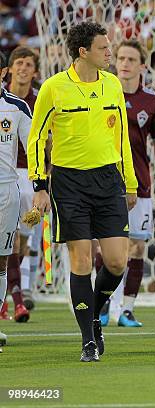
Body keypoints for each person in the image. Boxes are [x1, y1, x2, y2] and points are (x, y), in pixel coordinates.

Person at [27, 21, 138, 362]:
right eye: (104, 48)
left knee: (118, 261)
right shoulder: (54, 88)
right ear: (83, 52)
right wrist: (40, 185)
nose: (110, 53)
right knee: (81, 260)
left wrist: (129, 181)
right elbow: (36, 139)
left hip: (108, 181)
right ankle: (88, 341)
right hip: (69, 182)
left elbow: (122, 138)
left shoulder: (113, 85)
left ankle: (94, 312)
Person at [98, 40, 155, 328]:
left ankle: (127, 309)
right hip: (104, 182)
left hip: (140, 184)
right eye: (120, 58)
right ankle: (102, 306)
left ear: (142, 65)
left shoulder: (151, 101)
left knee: (136, 247)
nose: (124, 63)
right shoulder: (101, 93)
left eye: (130, 59)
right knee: (108, 249)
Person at [0, 50, 31, 350]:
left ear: (2, 73)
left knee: (2, 259)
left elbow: (32, 147)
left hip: (7, 191)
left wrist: (42, 186)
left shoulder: (16, 108)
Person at [5, 46, 38, 318]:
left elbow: (41, 145)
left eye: (29, 64)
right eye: (20, 63)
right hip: (11, 179)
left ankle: (13, 293)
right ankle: (17, 298)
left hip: (23, 180)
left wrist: (45, 182)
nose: (24, 68)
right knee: (14, 242)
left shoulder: (28, 105)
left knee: (19, 244)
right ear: (11, 69)